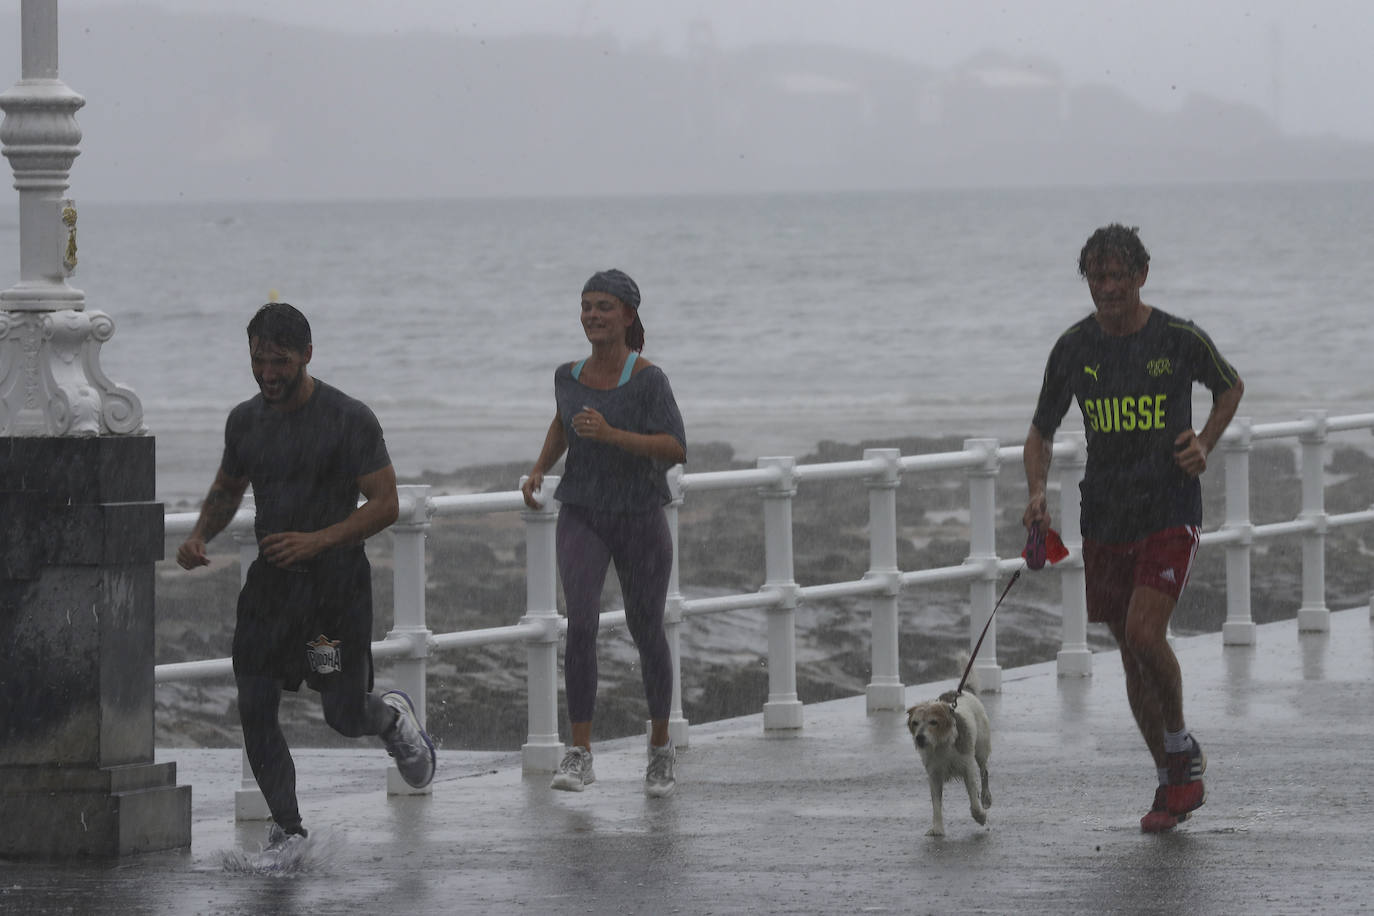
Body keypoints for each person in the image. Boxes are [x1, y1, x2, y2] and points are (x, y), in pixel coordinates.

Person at [177, 302, 436, 856]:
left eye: (281, 361)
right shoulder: (245, 420)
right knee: (253, 703)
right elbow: (228, 487)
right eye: (258, 361)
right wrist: (201, 533)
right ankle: (287, 828)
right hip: (271, 588)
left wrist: (318, 540)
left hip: (333, 591)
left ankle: (390, 719)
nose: (268, 374)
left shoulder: (349, 418)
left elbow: (386, 503)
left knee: (343, 715)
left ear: (307, 355)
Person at [1022, 225, 1243, 833]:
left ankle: (1181, 747)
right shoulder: (1073, 348)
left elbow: (1231, 387)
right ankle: (1173, 778)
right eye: (1099, 277)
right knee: (1128, 654)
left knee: (1147, 635)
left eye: (1121, 276)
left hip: (1171, 507)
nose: (1110, 288)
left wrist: (1204, 443)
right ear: (1088, 280)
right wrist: (1038, 492)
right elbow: (1040, 433)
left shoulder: (1178, 337)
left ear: (1142, 275)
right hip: (1107, 516)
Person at [521, 269, 687, 798]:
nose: (593, 315)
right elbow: (562, 422)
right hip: (583, 511)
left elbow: (675, 447)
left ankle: (660, 748)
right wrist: (540, 467)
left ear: (628, 315)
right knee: (582, 623)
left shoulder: (648, 379)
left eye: (604, 307)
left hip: (639, 515)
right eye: (587, 306)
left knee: (646, 629)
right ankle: (581, 753)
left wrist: (613, 435)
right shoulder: (567, 375)